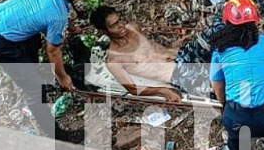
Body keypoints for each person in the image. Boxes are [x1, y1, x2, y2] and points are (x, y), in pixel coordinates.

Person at [0, 0, 89, 142]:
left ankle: (39, 77)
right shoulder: (56, 15)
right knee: (34, 90)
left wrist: (69, 29)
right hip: (1, 41)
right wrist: (63, 77)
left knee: (32, 56)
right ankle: (58, 135)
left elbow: (51, 17)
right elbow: (53, 50)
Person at [209, 0, 264, 150]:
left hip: (238, 119)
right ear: (255, 21)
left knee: (236, 140)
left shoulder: (220, 51)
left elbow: (218, 88)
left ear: (227, 23)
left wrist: (226, 106)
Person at [90, 6, 225, 102]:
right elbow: (133, 89)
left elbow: (152, 48)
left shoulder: (133, 28)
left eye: (120, 20)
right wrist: (163, 91)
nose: (121, 25)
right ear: (104, 31)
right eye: (114, 25)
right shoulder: (114, 61)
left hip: (185, 53)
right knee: (218, 89)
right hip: (177, 73)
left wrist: (172, 45)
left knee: (218, 28)